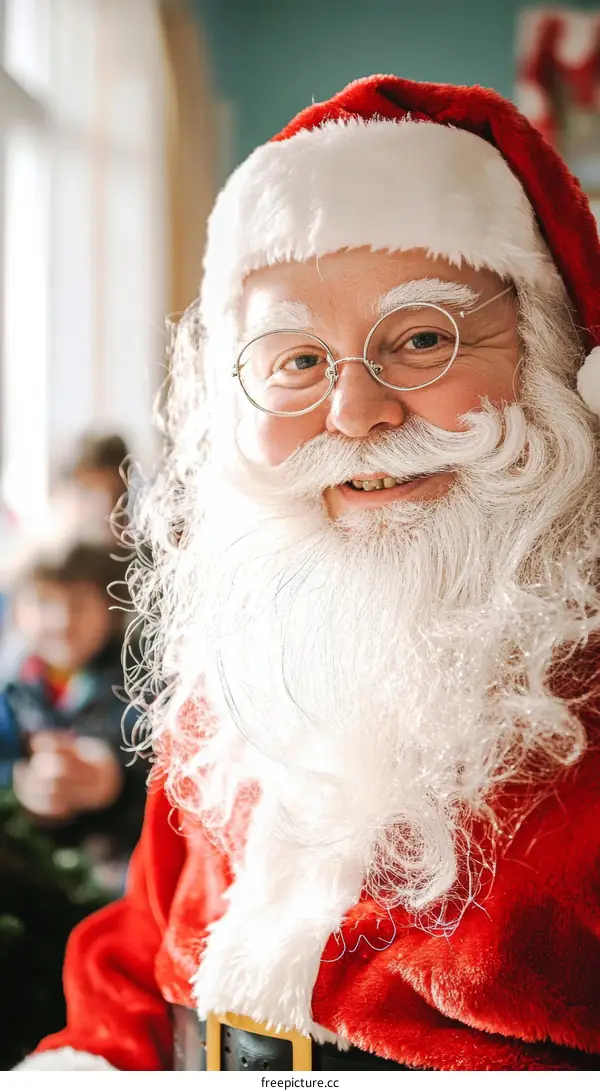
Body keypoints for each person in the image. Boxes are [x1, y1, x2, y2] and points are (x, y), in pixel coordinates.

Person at [17, 74, 600, 1071]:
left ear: (548, 362)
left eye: (423, 338)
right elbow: (137, 955)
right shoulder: (236, 672)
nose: (355, 412)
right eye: (296, 361)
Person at [0, 542, 146, 891]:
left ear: (109, 608)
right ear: (17, 609)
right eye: (44, 602)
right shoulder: (14, 687)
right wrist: (20, 785)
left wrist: (111, 776)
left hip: (124, 860)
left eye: (78, 604)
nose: (61, 621)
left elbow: (148, 751)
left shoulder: (138, 675)